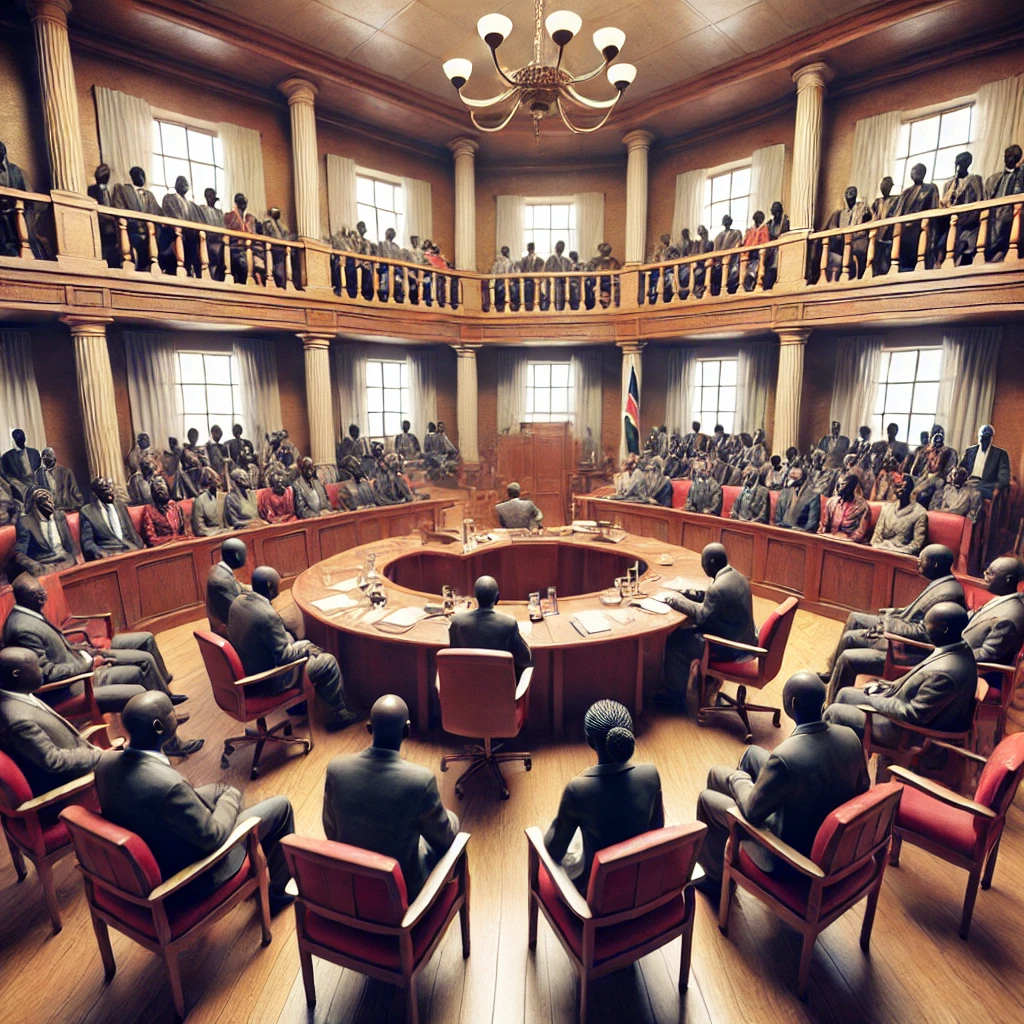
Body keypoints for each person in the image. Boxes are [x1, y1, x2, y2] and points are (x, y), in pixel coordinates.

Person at [94, 692, 295, 913]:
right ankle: (274, 893)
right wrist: (232, 796)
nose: (177, 716)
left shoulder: (105, 762)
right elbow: (213, 837)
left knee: (221, 790)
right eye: (172, 713)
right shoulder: (170, 786)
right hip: (192, 876)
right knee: (280, 806)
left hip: (153, 845)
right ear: (159, 727)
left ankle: (255, 860)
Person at [695, 672, 868, 894]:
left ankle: (716, 882)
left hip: (786, 855)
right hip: (822, 833)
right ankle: (728, 847)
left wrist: (737, 778)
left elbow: (752, 811)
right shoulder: (850, 737)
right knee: (751, 754)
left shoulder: (786, 757)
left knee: (708, 797)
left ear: (792, 704)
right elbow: (862, 787)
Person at [1, 575, 202, 755]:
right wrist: (88, 664)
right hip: (73, 688)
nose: (43, 596)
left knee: (137, 669)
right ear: (23, 596)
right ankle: (169, 744)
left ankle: (166, 718)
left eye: (42, 591)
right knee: (137, 690)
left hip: (81, 670)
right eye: (37, 593)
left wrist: (86, 653)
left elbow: (58, 650)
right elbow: (46, 674)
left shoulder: (30, 612)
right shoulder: (23, 628)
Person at [322, 694, 459, 898]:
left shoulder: (336, 768)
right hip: (399, 892)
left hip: (350, 882)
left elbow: (331, 832)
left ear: (369, 728)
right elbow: (444, 841)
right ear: (407, 730)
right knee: (452, 821)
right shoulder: (420, 781)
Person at [543, 700, 663, 893]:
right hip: (640, 884)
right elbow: (657, 831)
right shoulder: (651, 774)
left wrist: (558, 822)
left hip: (597, 892)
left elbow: (554, 850)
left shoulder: (578, 789)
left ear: (590, 741)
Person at [823, 544, 965, 702]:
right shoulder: (942, 582)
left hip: (909, 649)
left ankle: (831, 703)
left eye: (922, 560)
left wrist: (887, 626)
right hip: (901, 631)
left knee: (848, 650)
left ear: (936, 564)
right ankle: (832, 675)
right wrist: (888, 617)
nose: (918, 563)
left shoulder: (947, 594)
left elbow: (925, 633)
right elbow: (913, 612)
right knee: (854, 618)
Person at [824, 603, 977, 748]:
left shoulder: (945, 675)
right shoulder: (958, 648)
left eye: (928, 624)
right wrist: (885, 687)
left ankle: (834, 762)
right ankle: (841, 749)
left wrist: (873, 700)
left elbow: (911, 714)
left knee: (834, 712)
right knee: (845, 694)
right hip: (900, 704)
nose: (924, 628)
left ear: (944, 629)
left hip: (905, 733)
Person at [228, 566, 359, 730]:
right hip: (269, 681)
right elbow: (285, 657)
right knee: (328, 662)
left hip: (248, 669)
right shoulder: (267, 615)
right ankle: (336, 715)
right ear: (270, 587)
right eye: (277, 585)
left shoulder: (238, 602)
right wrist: (305, 646)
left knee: (300, 642)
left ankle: (300, 704)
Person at [653, 543, 757, 711]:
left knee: (675, 640)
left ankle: (676, 697)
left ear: (712, 563)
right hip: (745, 638)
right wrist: (691, 593)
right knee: (686, 632)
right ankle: (703, 681)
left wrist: (676, 602)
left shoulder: (718, 589)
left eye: (704, 562)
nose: (703, 566)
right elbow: (716, 601)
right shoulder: (737, 576)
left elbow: (701, 617)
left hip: (730, 648)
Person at [0, 646, 102, 796]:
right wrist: (99, 757)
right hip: (71, 789)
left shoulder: (17, 694)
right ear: (17, 674)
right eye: (37, 667)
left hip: (82, 762)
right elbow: (54, 761)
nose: (41, 672)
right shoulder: (16, 720)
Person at [448, 575, 533, 679]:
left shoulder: (457, 622)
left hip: (467, 687)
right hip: (500, 690)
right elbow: (525, 659)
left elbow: (453, 658)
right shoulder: (508, 624)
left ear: (476, 596)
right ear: (497, 597)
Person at [964, 557, 1024, 664]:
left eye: (991, 573)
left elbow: (986, 655)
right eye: (986, 571)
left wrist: (952, 654)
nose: (985, 575)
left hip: (973, 671)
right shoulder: (1003, 599)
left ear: (1008, 579)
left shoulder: (1009, 618)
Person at [14, 487, 81, 572]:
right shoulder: (25, 522)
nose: (50, 502)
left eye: (50, 498)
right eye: (44, 499)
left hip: (67, 562)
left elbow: (70, 545)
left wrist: (77, 559)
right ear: (35, 504)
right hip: (44, 566)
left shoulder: (59, 516)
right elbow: (19, 554)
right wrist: (34, 566)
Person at [78, 477, 144, 560]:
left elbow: (131, 531)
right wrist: (98, 552)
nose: (110, 492)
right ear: (96, 494)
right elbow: (87, 542)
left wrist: (141, 547)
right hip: (108, 554)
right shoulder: (87, 512)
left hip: (129, 549)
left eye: (111, 488)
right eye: (106, 490)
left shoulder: (120, 505)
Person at [870, 473, 927, 554]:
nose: (900, 490)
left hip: (901, 555)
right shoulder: (886, 508)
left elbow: (916, 545)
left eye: (904, 487)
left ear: (911, 490)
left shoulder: (920, 513)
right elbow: (876, 535)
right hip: (880, 551)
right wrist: (876, 548)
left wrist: (895, 553)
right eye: (898, 487)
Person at [206, 537, 248, 639]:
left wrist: (255, 588)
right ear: (237, 556)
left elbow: (239, 586)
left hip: (229, 626)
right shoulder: (222, 582)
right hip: (232, 635)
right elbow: (237, 613)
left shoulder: (218, 569)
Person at [960, 424, 1010, 502]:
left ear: (992, 438)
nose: (984, 440)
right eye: (982, 437)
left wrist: (995, 488)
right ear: (978, 436)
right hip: (967, 483)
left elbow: (1004, 479)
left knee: (974, 494)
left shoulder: (1001, 454)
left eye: (987, 438)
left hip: (985, 486)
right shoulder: (969, 451)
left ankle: (971, 513)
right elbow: (961, 468)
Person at [818, 473, 871, 542]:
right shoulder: (831, 502)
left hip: (849, 544)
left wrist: (845, 540)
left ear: (853, 487)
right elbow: (823, 526)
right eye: (839, 484)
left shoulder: (863, 507)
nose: (839, 487)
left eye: (843, 484)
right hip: (829, 540)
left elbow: (859, 534)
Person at [139, 474, 188, 546]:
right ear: (153, 492)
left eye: (162, 484)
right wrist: (174, 540)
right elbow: (151, 540)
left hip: (182, 545)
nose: (160, 487)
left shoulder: (175, 507)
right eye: (156, 486)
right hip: (164, 548)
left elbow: (185, 533)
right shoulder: (149, 510)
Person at [33, 447, 83, 511]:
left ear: (54, 457)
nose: (45, 458)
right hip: (48, 511)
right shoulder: (38, 474)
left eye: (48, 455)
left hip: (66, 509)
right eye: (43, 456)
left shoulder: (66, 472)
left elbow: (75, 491)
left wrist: (77, 506)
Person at [773, 465, 821, 532]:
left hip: (801, 535)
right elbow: (778, 518)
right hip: (782, 531)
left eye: (796, 469)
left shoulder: (813, 494)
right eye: (792, 468)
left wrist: (799, 532)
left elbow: (812, 523)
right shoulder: (785, 491)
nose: (792, 471)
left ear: (803, 473)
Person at [2, 428, 41, 497]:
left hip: (35, 483)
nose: (19, 440)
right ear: (14, 440)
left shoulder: (34, 453)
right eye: (17, 438)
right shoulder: (7, 457)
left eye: (21, 437)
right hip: (19, 486)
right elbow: (6, 476)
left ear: (25, 438)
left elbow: (39, 470)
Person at [191, 467, 229, 536]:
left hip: (228, 532)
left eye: (216, 482)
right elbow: (199, 528)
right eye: (210, 482)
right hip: (212, 535)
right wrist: (217, 532)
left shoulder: (225, 497)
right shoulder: (200, 500)